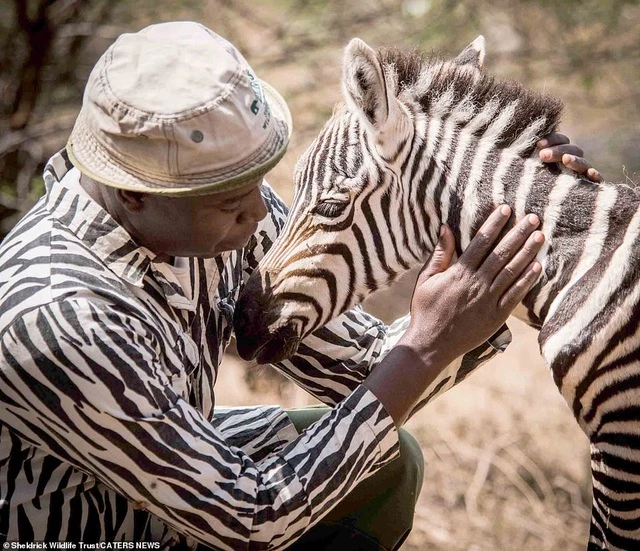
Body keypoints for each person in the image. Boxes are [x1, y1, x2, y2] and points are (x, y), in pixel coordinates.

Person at [0, 21, 599, 550]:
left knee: (381, 459)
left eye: (256, 187)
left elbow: (360, 373)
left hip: (169, 505)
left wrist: (500, 207)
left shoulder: (211, 215)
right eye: (233, 204)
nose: (261, 216)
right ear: (134, 191)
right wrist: (427, 346)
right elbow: (251, 521)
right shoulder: (56, 317)